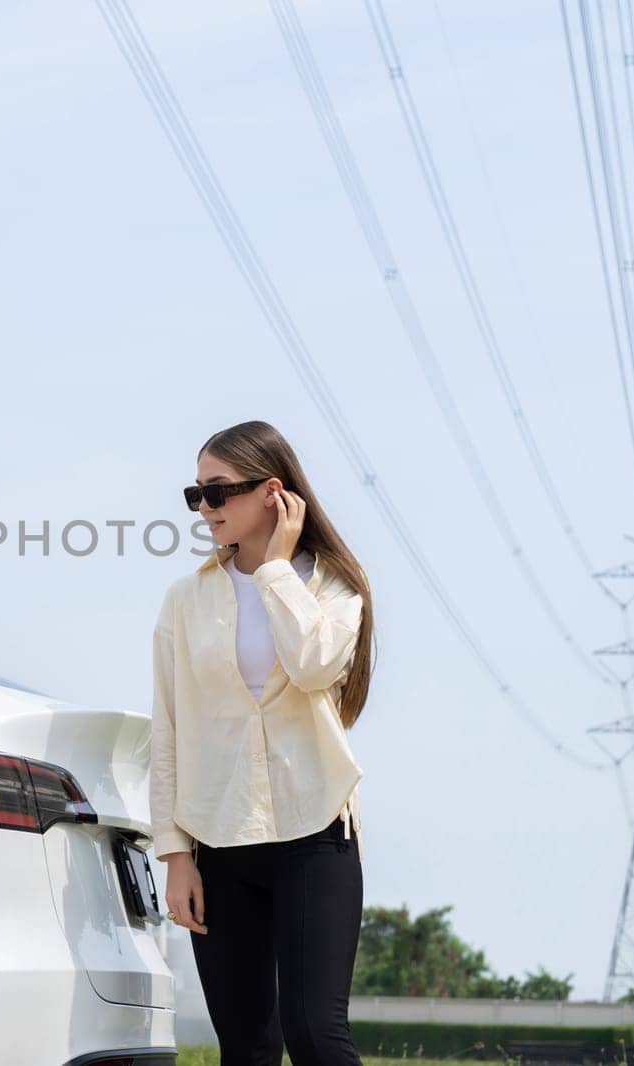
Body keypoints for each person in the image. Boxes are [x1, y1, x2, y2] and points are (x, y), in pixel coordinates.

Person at [149, 419, 376, 1066]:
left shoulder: (334, 589)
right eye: (195, 495)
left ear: (272, 493)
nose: (203, 509)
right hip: (217, 842)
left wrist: (275, 569)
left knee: (315, 1035)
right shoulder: (183, 601)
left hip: (316, 833)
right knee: (246, 1048)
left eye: (217, 493)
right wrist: (175, 855)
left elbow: (312, 667)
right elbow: (168, 730)